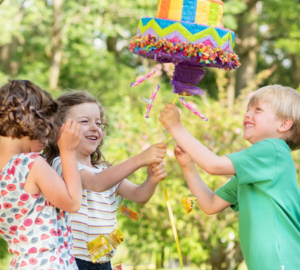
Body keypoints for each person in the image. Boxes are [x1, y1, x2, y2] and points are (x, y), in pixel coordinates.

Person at [159, 85, 300, 270]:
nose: (247, 114)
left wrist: (177, 128)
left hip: (282, 262)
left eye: (258, 109)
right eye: (248, 109)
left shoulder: (273, 149)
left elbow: (214, 165)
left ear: (284, 124)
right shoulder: (255, 172)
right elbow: (210, 204)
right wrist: (188, 167)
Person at [43, 91, 167, 270]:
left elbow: (139, 195)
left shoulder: (104, 171)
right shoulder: (62, 163)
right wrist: (140, 159)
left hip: (103, 262)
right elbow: (95, 183)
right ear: (60, 130)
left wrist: (152, 179)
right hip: (72, 260)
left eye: (98, 123)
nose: (95, 127)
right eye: (85, 121)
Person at [0, 80, 83, 269]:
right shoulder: (30, 163)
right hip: (50, 262)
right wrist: (68, 151)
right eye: (49, 128)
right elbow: (72, 201)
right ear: (36, 122)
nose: (49, 138)